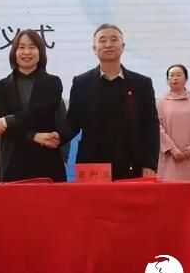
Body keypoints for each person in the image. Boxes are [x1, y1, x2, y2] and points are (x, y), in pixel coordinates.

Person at [64, 23, 159, 180]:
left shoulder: (142, 83)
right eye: (102, 40)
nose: (108, 44)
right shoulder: (81, 82)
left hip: (131, 163)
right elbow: (73, 121)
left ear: (123, 46)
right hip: (93, 165)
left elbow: (151, 126)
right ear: (94, 48)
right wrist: (55, 137)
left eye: (114, 39)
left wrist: (150, 164)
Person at [0, 29, 66, 182]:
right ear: (14, 52)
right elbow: (3, 128)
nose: (26, 52)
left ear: (40, 52)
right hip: (13, 161)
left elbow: (42, 112)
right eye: (21, 47)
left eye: (32, 47)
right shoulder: (0, 87)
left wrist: (8, 120)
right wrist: (34, 136)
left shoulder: (53, 83)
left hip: (47, 159)